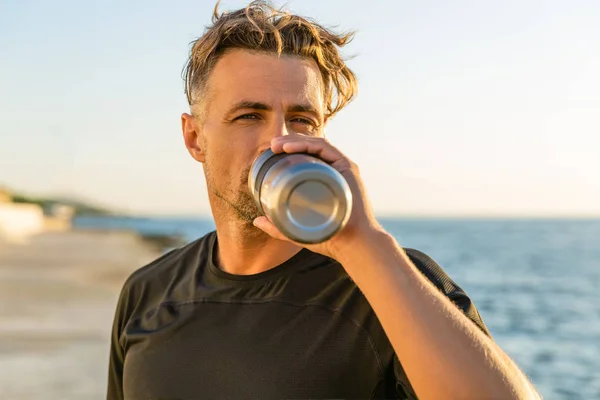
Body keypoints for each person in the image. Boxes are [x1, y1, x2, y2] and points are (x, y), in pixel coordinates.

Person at [107, 1, 541, 399]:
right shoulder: (148, 293)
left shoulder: (388, 284)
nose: (279, 140)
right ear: (195, 137)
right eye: (248, 116)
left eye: (301, 119)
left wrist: (363, 244)